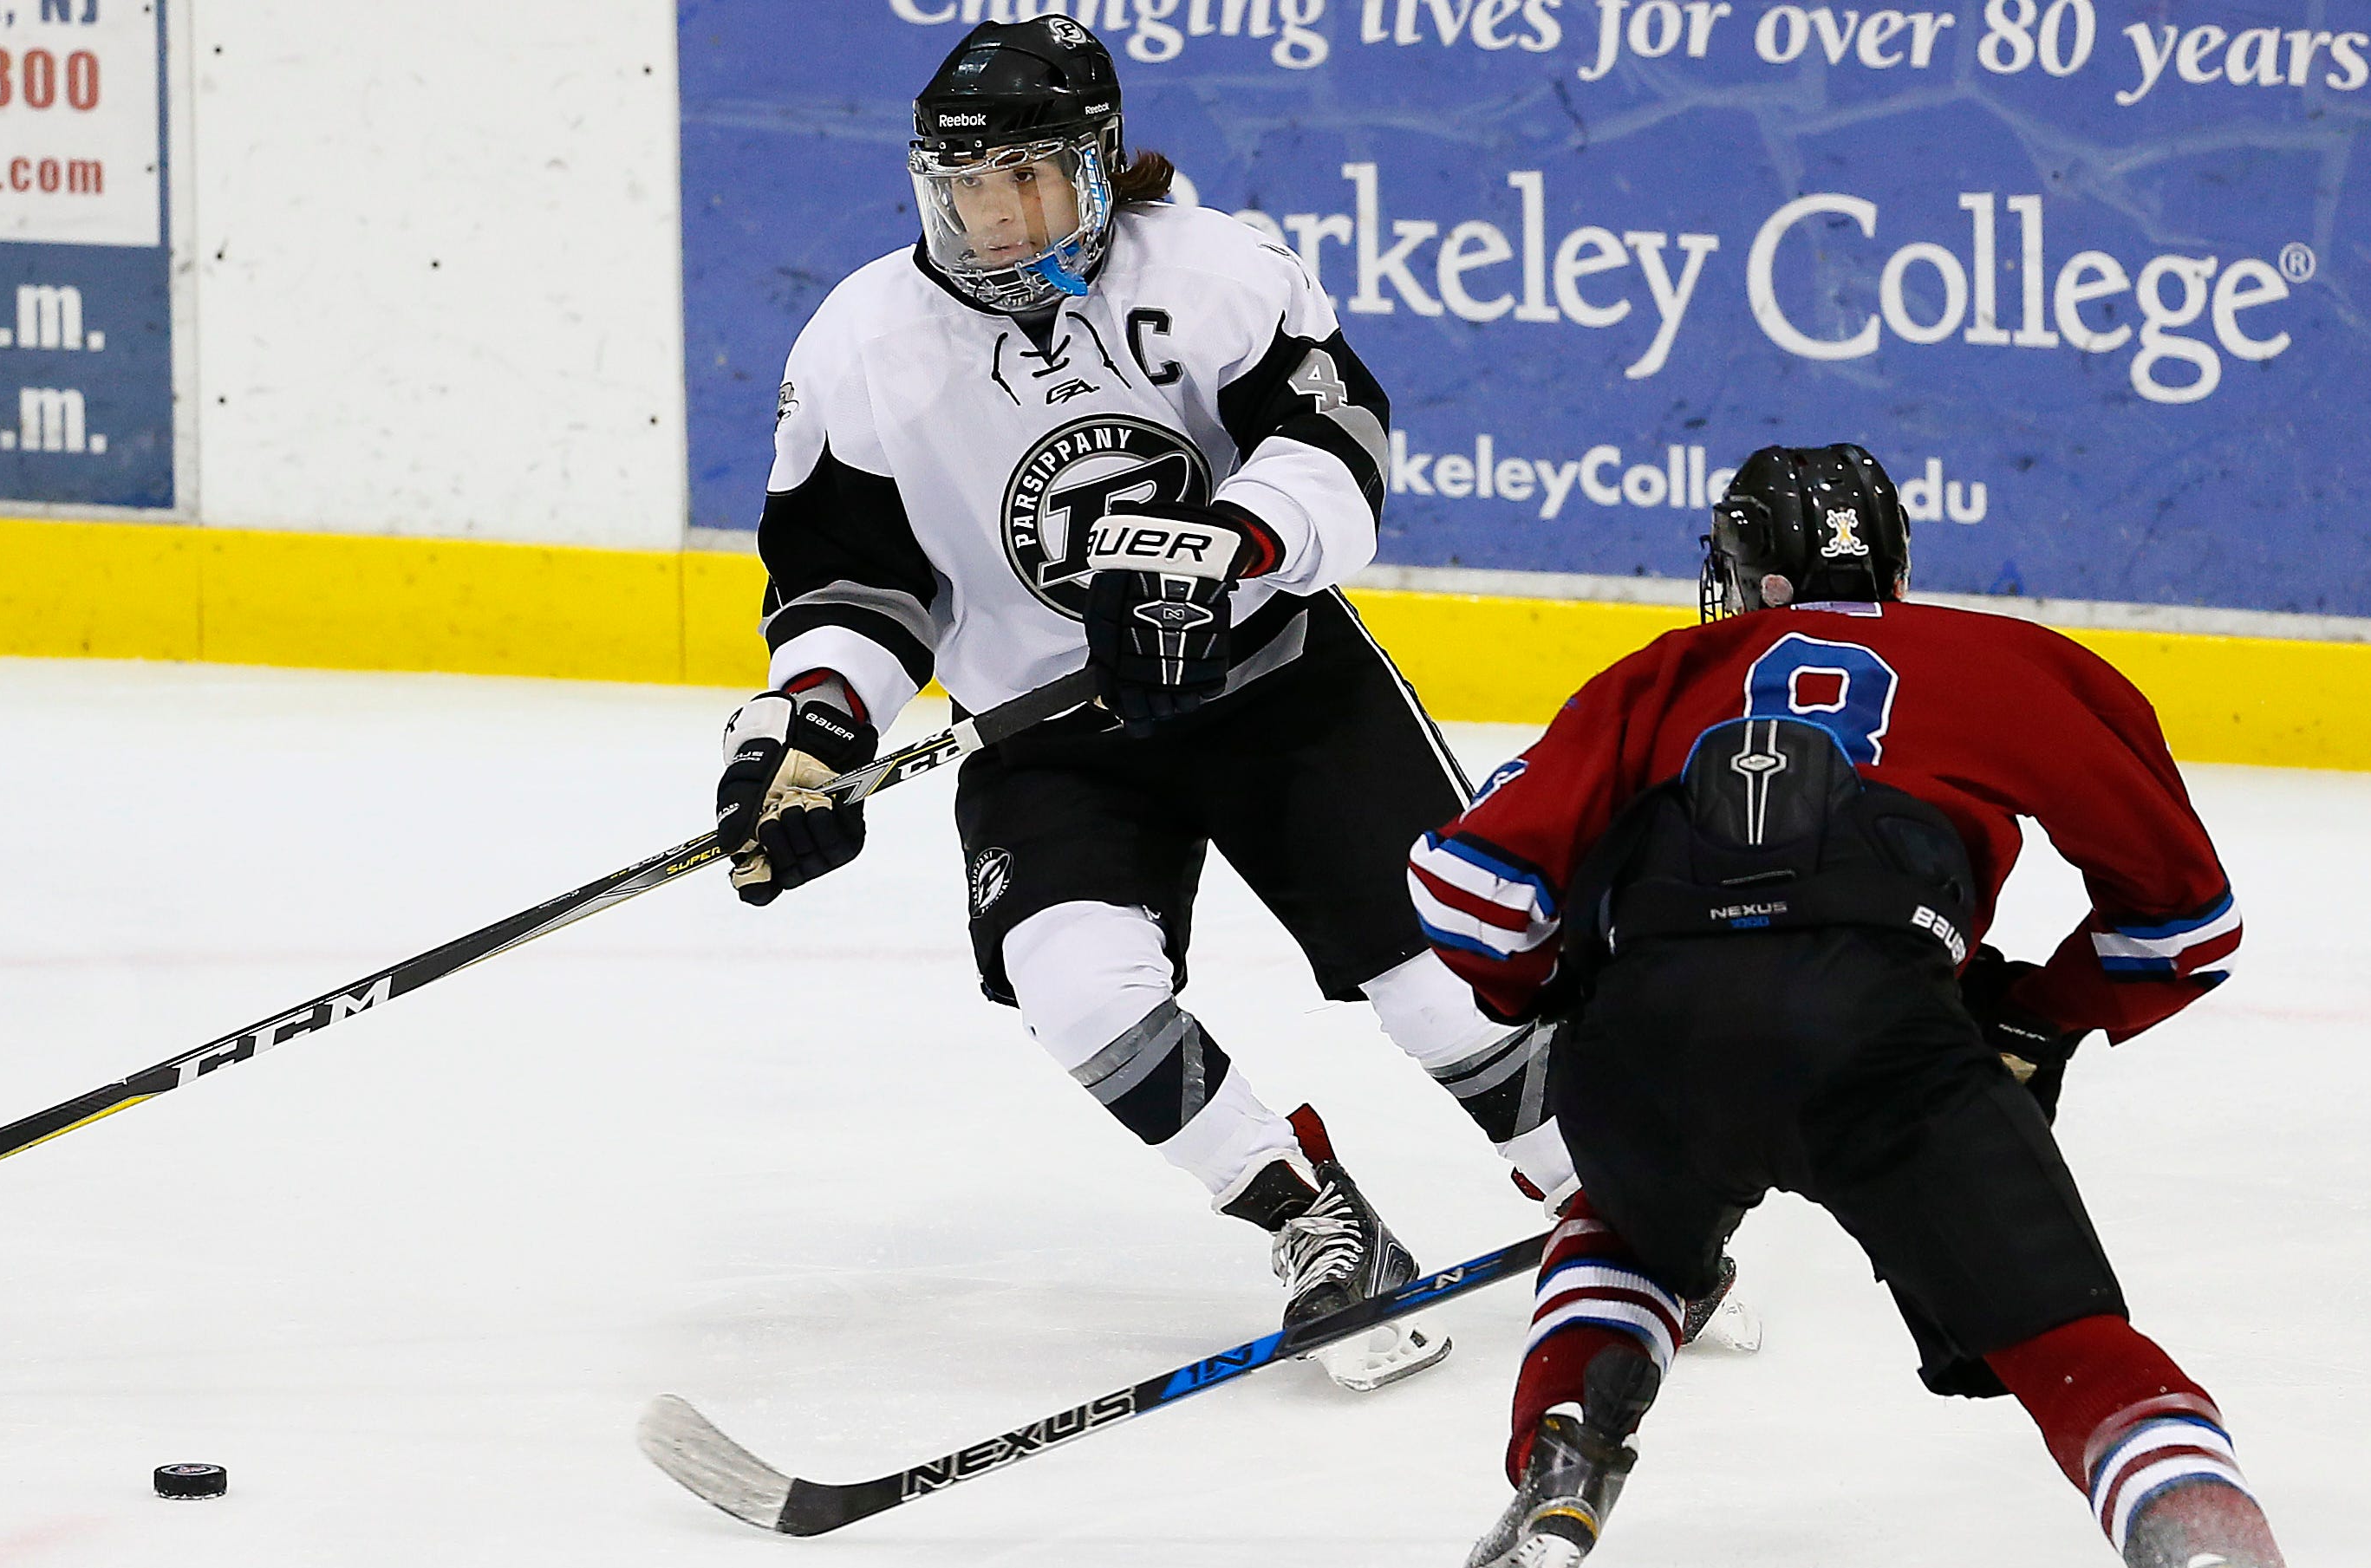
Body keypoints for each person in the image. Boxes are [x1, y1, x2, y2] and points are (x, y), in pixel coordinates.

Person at [710, 15, 1573, 1389]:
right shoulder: (860, 342)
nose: (996, 221)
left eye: (1029, 183)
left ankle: (1610, 1202)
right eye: (969, 190)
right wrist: (816, 730)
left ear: (1100, 167)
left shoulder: (1220, 271)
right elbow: (850, 585)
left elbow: (1340, 450)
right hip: (1052, 732)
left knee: (1444, 987)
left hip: (1274, 682)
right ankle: (1314, 1217)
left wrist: (1223, 554)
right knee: (1076, 981)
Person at [1409, 444, 2285, 1568]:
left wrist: (1565, 995)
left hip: (1651, 1026)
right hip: (1883, 1029)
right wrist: (2035, 1014)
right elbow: (2185, 926)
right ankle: (2198, 1537)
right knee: (2074, 1344)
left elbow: (1468, 893)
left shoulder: (1666, 672)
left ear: (1744, 573)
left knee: (1625, 1219)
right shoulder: (2010, 661)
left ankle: (1566, 1467)